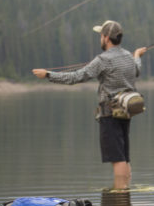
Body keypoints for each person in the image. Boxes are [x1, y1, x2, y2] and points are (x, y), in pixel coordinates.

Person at [32, 20, 147, 190]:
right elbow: (137, 69)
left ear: (107, 38)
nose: (100, 38)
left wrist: (48, 74)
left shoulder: (103, 60)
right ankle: (124, 194)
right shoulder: (129, 57)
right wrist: (137, 55)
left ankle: (120, 194)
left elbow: (76, 77)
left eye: (101, 35)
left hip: (110, 114)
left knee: (118, 158)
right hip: (126, 112)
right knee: (124, 156)